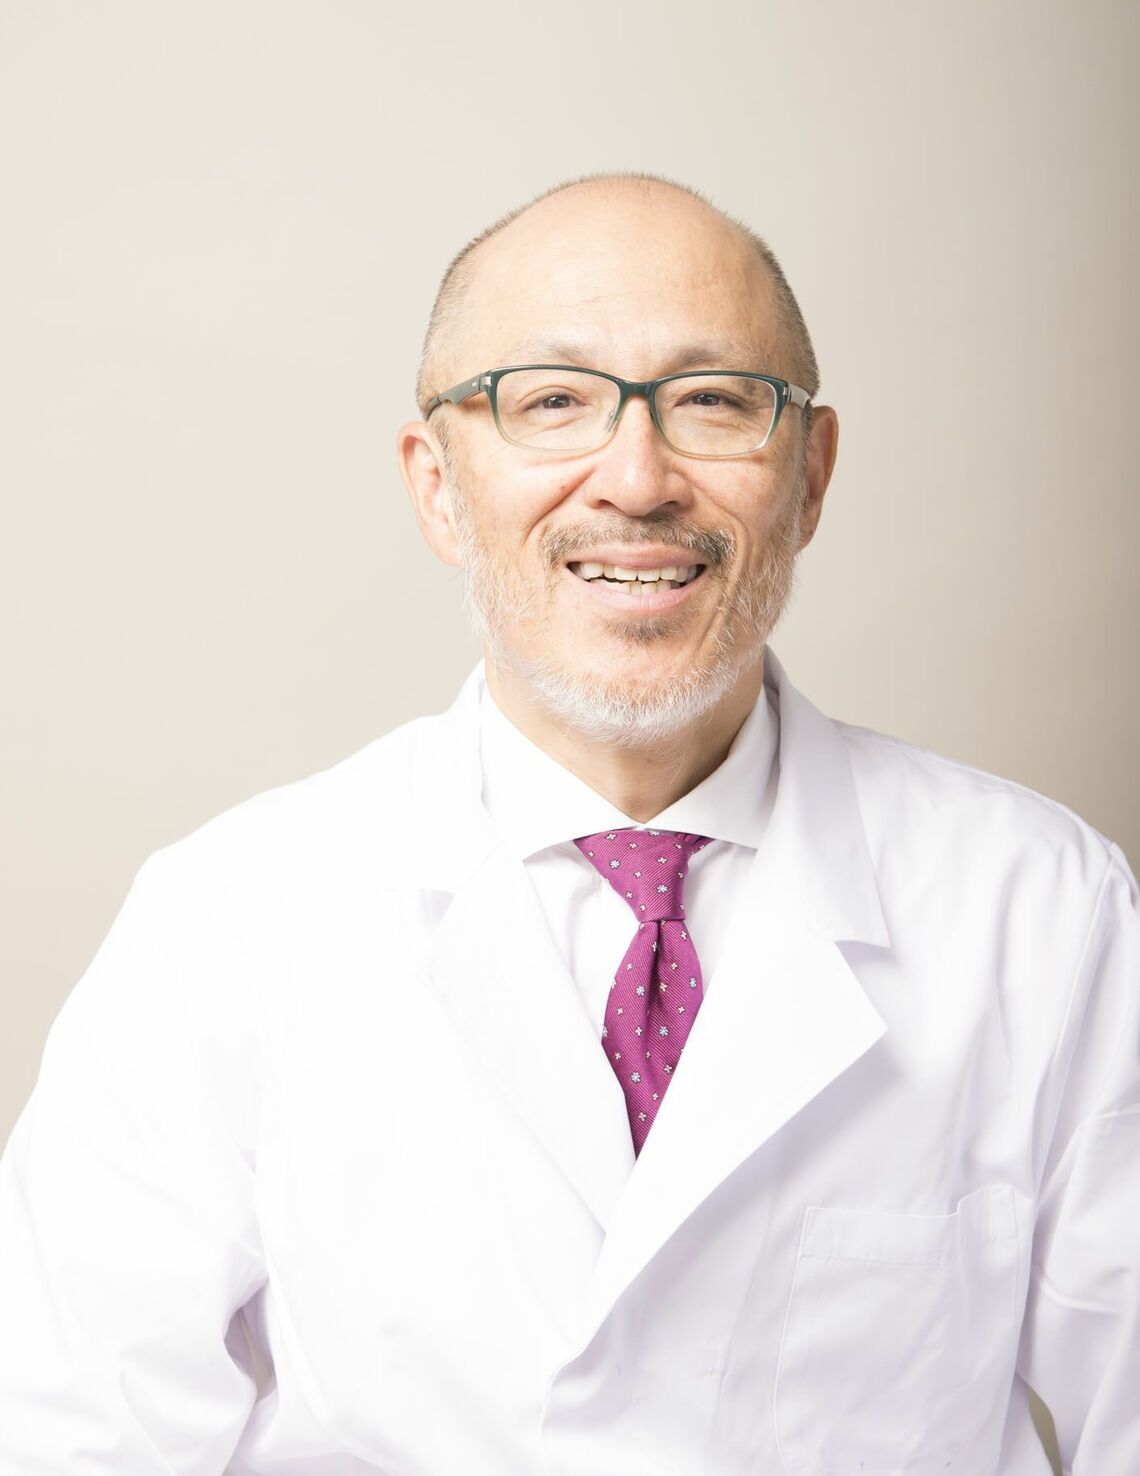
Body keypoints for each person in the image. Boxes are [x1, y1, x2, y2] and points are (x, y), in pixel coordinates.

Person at [0, 172, 1136, 1476]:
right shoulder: (226, 922)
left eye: (714, 401)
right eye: (551, 402)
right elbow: (67, 1438)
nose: (638, 481)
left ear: (811, 475)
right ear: (438, 487)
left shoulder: (1043, 909)